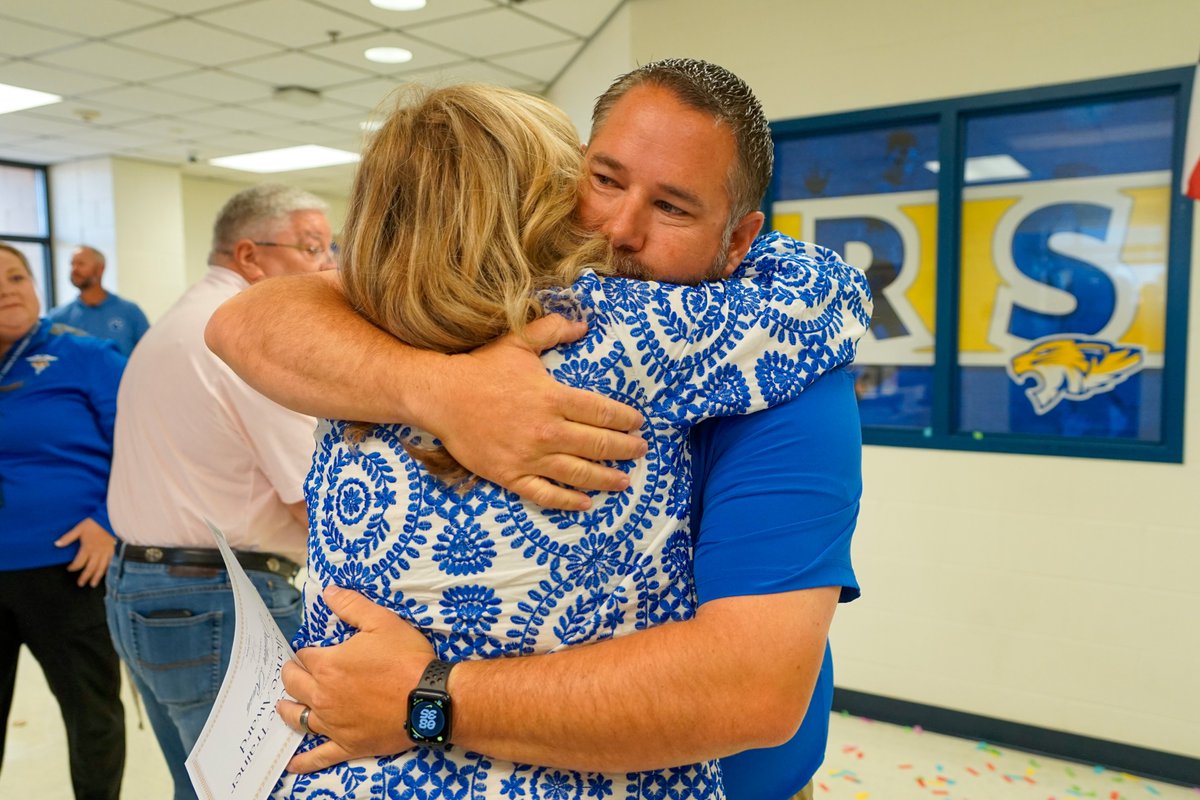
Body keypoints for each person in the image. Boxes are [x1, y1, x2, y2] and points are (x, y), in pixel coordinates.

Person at [208, 59, 865, 800]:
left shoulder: (786, 383)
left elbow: (750, 689)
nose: (621, 229)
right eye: (605, 180)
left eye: (674, 208)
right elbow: (248, 322)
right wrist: (441, 391)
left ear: (740, 239)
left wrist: (425, 698)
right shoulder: (459, 320)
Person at [104, 184, 335, 800]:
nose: (328, 265)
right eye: (313, 248)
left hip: (147, 587)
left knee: (202, 782)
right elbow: (313, 501)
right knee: (254, 787)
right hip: (217, 597)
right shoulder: (245, 335)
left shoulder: (179, 320)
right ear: (250, 256)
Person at [0, 242, 126, 800]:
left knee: (91, 718)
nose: (7, 289)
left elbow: (145, 448)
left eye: (16, 276)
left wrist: (107, 520)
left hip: (68, 567)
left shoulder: (87, 356)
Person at [48, 245, 149, 356]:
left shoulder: (130, 312)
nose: (74, 269)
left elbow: (150, 354)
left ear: (100, 269)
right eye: (72, 264)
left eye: (81, 264)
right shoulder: (58, 318)